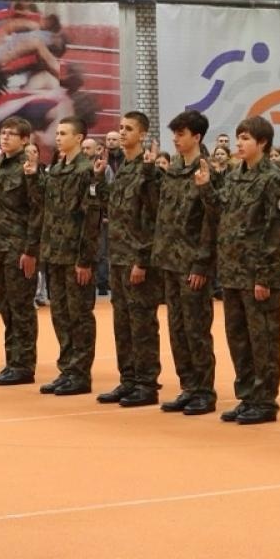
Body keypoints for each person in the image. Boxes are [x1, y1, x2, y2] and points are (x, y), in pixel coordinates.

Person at [200, 115, 280, 425]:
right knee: (238, 337)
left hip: (256, 273)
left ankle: (264, 400)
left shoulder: (273, 177)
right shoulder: (236, 175)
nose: (239, 143)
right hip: (233, 271)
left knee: (262, 338)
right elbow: (222, 212)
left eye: (246, 139)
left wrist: (265, 276)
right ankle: (247, 394)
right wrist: (206, 187)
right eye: (238, 138)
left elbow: (276, 231)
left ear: (262, 143)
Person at [155, 110, 219, 416]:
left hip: (193, 262)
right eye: (174, 134)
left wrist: (201, 265)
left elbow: (211, 223)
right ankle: (188, 386)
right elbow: (164, 218)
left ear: (197, 136)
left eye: (181, 134)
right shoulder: (173, 170)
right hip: (170, 260)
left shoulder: (206, 171)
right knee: (177, 329)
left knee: (196, 330)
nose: (176, 140)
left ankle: (204, 390)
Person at [98, 111, 163, 408]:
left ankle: (147, 383)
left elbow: (151, 219)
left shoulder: (148, 171)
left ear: (143, 134)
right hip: (119, 256)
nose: (122, 133)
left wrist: (142, 259)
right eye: (120, 128)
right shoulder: (123, 168)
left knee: (141, 323)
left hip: (137, 259)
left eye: (129, 129)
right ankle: (128, 379)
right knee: (122, 323)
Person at [38, 117, 102, 397]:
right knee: (60, 314)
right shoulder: (57, 169)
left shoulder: (85, 171)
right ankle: (67, 369)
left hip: (75, 255)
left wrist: (85, 259)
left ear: (79, 138)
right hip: (55, 253)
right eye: (57, 133)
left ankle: (80, 372)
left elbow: (90, 219)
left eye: (64, 133)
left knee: (79, 316)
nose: (58, 137)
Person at [0, 115, 42, 386]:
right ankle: (11, 361)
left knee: (21, 308)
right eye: (3, 133)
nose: (4, 137)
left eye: (11, 134)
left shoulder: (27, 169)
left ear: (25, 139)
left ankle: (23, 365)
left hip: (18, 248)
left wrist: (30, 249)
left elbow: (37, 211)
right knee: (4, 306)